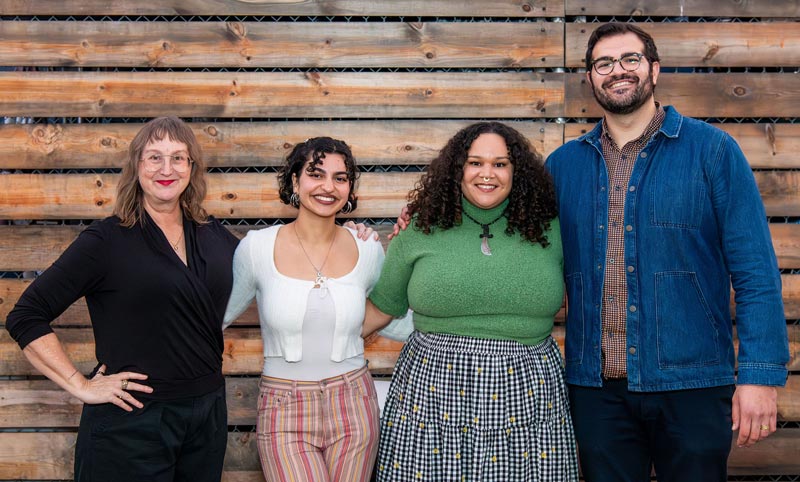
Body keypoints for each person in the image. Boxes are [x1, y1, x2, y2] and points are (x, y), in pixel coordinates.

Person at [544, 23, 790, 482]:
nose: (617, 71)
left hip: (693, 383)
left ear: (654, 70)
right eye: (603, 64)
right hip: (596, 391)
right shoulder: (563, 166)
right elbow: (516, 240)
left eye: (630, 59)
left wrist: (759, 375)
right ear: (591, 79)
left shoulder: (712, 151)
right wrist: (428, 219)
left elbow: (755, 271)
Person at [5, 117, 240, 481]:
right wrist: (79, 384)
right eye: (154, 158)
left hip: (205, 419)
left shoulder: (215, 237)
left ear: (192, 168)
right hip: (131, 423)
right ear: (136, 166)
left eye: (178, 158)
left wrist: (351, 241)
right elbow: (26, 315)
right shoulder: (106, 241)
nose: (167, 169)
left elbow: (280, 267)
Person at [363, 122, 579, 481]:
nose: (487, 174)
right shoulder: (421, 225)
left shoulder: (551, 226)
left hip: (527, 395)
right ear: (457, 168)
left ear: (516, 171)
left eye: (500, 163)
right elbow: (382, 307)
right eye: (475, 162)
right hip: (432, 394)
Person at [223, 137, 383, 482]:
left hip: (354, 403)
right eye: (316, 174)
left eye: (340, 178)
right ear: (295, 181)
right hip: (284, 407)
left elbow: (395, 314)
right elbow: (212, 320)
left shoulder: (367, 248)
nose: (328, 187)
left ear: (349, 189)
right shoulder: (257, 249)